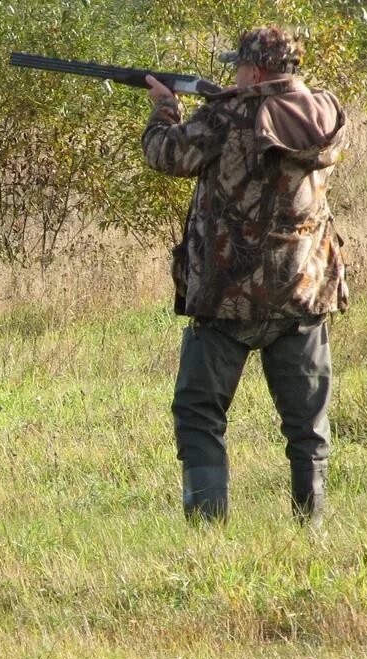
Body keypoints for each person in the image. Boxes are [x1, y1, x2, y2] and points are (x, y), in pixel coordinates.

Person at [141, 25, 348, 526]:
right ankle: (311, 529)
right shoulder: (323, 113)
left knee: (198, 414)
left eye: (238, 66)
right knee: (306, 425)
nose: (233, 73)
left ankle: (209, 534)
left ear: (254, 70)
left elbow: (164, 154)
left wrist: (165, 106)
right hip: (301, 290)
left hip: (227, 294)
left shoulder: (225, 115)